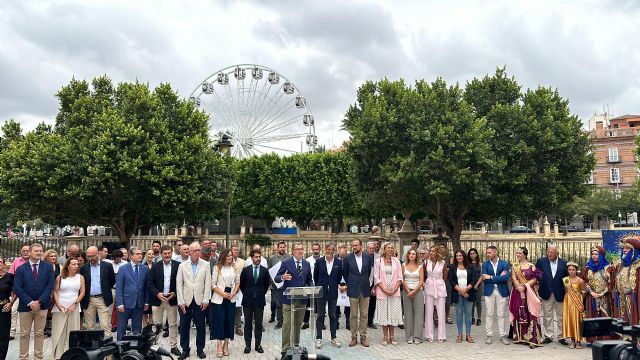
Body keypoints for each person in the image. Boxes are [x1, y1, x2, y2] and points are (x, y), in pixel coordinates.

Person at [14, 243, 55, 360]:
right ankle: (23, 357)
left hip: (42, 306)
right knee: (24, 334)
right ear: (30, 252)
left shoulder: (48, 267)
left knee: (39, 333)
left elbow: (50, 285)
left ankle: (38, 357)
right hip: (25, 307)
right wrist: (31, 302)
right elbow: (17, 288)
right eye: (36, 250)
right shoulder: (21, 268)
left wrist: (40, 301)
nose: (38, 252)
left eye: (40, 251)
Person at [275, 242, 314, 358]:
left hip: (302, 299)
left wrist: (311, 287)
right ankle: (285, 350)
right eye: (297, 249)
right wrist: (283, 277)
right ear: (293, 251)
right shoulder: (286, 263)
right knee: (287, 324)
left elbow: (309, 280)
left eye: (301, 249)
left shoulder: (307, 264)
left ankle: (296, 346)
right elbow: (277, 278)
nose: (300, 251)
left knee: (298, 324)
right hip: (288, 299)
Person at [176, 241, 211, 360]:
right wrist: (180, 302)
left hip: (200, 301)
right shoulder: (182, 266)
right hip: (186, 301)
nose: (197, 252)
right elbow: (179, 285)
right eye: (195, 250)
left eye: (198, 250)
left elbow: (207, 284)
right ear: (189, 252)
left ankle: (200, 349)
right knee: (184, 326)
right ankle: (185, 350)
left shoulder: (206, 265)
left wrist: (206, 300)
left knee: (201, 326)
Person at [147, 245, 181, 356]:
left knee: (173, 324)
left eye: (169, 253)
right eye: (165, 253)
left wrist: (175, 293)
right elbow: (150, 283)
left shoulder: (178, 265)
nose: (167, 255)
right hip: (158, 299)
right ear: (161, 254)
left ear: (171, 253)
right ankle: (155, 348)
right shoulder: (155, 266)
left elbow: (181, 282)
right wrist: (157, 294)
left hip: (172, 299)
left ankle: (173, 346)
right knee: (156, 325)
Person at [509, 247, 543, 348]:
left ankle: (533, 338)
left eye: (519, 253)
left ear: (525, 254)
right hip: (517, 292)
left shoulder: (531, 266)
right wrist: (519, 287)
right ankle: (521, 337)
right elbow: (514, 278)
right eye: (517, 253)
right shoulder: (515, 266)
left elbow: (535, 279)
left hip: (529, 292)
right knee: (519, 312)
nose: (518, 254)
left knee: (531, 312)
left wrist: (524, 286)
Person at [52, 257, 85, 359]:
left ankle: (72, 355)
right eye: (73, 264)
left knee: (73, 332)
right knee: (59, 332)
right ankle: (58, 356)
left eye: (77, 264)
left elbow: (82, 292)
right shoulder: (60, 277)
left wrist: (75, 304)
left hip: (74, 307)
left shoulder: (80, 277)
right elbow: (56, 292)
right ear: (68, 265)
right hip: (60, 308)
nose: (76, 266)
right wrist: (58, 304)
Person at [79, 246, 116, 337]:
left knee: (105, 325)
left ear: (98, 254)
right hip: (88, 300)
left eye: (92, 256)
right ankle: (91, 348)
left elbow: (112, 281)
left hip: (103, 298)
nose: (90, 258)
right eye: (88, 256)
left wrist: (105, 290)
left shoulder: (107, 266)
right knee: (89, 326)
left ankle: (107, 348)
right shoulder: (83, 268)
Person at [239, 249, 271, 354]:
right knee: (247, 324)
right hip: (247, 301)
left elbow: (266, 285)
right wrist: (248, 293)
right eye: (256, 257)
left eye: (259, 257)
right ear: (252, 258)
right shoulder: (246, 270)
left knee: (258, 324)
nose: (258, 259)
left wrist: (259, 293)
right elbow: (242, 285)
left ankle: (258, 345)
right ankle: (247, 345)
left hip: (259, 301)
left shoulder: (265, 270)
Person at [581, 246, 615, 343]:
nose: (594, 256)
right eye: (593, 254)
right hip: (591, 297)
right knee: (592, 316)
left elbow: (611, 283)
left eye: (596, 254)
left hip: (604, 297)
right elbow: (584, 281)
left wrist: (602, 293)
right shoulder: (587, 268)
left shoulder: (608, 268)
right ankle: (593, 339)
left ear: (601, 256)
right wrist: (591, 292)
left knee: (604, 316)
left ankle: (605, 339)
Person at [535, 244, 568, 344]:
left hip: (560, 293)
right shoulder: (541, 262)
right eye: (548, 252)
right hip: (546, 292)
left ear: (557, 253)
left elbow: (566, 279)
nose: (549, 254)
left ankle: (561, 336)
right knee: (547, 315)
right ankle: (548, 335)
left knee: (561, 315)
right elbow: (537, 275)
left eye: (551, 252)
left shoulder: (564, 263)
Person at [211, 249, 241, 358]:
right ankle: (219, 344)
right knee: (219, 321)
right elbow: (213, 284)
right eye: (228, 255)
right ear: (224, 256)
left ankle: (226, 344)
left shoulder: (235, 268)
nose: (230, 257)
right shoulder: (217, 268)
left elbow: (238, 283)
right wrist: (223, 294)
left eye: (231, 255)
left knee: (229, 321)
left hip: (231, 298)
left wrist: (233, 293)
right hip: (219, 298)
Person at [312, 242, 343, 349]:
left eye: (332, 249)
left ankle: (334, 337)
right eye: (328, 249)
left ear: (334, 251)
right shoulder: (319, 262)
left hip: (333, 293)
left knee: (333, 315)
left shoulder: (338, 262)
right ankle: (319, 338)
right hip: (321, 292)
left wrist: (333, 285)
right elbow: (315, 277)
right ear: (325, 250)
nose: (330, 251)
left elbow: (339, 277)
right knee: (320, 315)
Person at [342, 239, 372, 347]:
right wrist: (351, 284)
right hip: (353, 289)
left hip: (365, 289)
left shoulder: (367, 257)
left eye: (356, 245)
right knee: (353, 315)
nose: (354, 247)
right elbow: (345, 274)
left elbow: (369, 272)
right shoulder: (347, 258)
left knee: (364, 315)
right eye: (353, 245)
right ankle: (353, 337)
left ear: (361, 246)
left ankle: (363, 336)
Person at [115, 246, 149, 341]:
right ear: (131, 256)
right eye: (137, 254)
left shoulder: (145, 269)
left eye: (141, 254)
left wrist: (146, 302)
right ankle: (120, 349)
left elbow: (146, 287)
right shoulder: (123, 269)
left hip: (139, 303)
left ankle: (135, 349)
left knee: (137, 328)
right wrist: (120, 303)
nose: (140, 256)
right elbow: (119, 287)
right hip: (125, 303)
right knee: (121, 328)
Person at [372, 242, 403, 346]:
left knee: (393, 313)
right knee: (384, 314)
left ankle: (392, 336)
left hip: (394, 291)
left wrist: (395, 289)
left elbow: (400, 277)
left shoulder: (397, 261)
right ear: (384, 249)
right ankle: (385, 336)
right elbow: (376, 277)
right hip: (382, 291)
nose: (390, 249)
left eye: (392, 248)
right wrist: (384, 289)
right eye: (388, 248)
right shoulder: (378, 261)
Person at [481, 245, 511, 345]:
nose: (487, 254)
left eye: (489, 252)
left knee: (501, 314)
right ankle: (489, 335)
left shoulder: (504, 263)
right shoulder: (485, 264)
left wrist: (491, 277)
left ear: (495, 252)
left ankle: (502, 335)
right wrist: (498, 277)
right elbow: (484, 277)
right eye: (487, 252)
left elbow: (506, 278)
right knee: (489, 313)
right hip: (489, 291)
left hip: (501, 291)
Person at [449, 249, 478, 344]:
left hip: (468, 293)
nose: (458, 257)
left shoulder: (471, 267)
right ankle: (460, 334)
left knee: (469, 314)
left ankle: (468, 334)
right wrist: (461, 291)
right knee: (459, 314)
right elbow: (452, 281)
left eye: (460, 255)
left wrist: (466, 289)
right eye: (457, 256)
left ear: (464, 256)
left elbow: (474, 280)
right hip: (457, 293)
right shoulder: (453, 267)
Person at [424, 244, 448, 343]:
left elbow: (445, 277)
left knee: (441, 312)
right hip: (429, 286)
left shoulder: (443, 263)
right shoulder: (425, 262)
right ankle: (429, 335)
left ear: (437, 252)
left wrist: (439, 284)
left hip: (440, 287)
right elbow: (424, 276)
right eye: (430, 250)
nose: (431, 252)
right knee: (428, 312)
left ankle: (441, 336)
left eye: (433, 251)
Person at [615, 237, 640, 326]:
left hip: (633, 297)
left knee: (633, 321)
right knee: (624, 321)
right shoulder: (621, 264)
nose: (624, 250)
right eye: (623, 248)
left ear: (633, 251)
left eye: (627, 248)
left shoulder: (637, 265)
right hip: (622, 297)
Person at [401, 248, 424, 344]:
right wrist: (408, 291)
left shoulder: (420, 266)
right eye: (410, 253)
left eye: (413, 254)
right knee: (408, 314)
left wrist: (414, 292)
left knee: (418, 314)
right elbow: (402, 280)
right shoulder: (403, 265)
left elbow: (421, 281)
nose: (411, 255)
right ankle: (409, 336)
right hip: (406, 291)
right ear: (407, 255)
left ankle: (417, 337)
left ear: (416, 256)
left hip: (417, 291)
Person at [562, 262, 586, 349]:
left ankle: (579, 341)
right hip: (568, 302)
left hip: (577, 303)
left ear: (576, 270)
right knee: (570, 320)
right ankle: (572, 341)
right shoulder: (565, 279)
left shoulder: (580, 280)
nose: (571, 271)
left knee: (578, 321)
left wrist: (579, 300)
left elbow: (583, 292)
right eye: (569, 270)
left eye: (573, 270)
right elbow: (566, 291)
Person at [8, 245, 30, 340]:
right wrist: (12, 289)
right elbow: (10, 276)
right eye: (24, 251)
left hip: (29, 292)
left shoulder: (34, 262)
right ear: (21, 252)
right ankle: (12, 332)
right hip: (17, 291)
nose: (25, 252)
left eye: (27, 251)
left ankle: (26, 332)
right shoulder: (16, 261)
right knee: (13, 311)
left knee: (28, 313)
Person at [268, 241, 290, 328]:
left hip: (286, 284)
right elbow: (269, 271)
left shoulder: (289, 257)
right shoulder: (272, 258)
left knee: (286, 304)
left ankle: (286, 321)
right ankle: (279, 322)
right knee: (278, 304)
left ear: (285, 247)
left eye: (283, 247)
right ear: (277, 248)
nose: (282, 248)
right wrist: (270, 283)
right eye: (280, 247)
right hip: (276, 285)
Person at [302, 242, 322, 330]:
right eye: (314, 249)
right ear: (311, 250)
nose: (315, 251)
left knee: (320, 306)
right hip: (309, 286)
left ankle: (321, 323)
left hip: (320, 286)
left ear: (320, 250)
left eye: (317, 249)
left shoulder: (323, 259)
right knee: (307, 305)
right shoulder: (307, 260)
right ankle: (306, 322)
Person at [0, 256, 15, 360]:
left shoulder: (10, 277)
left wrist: (11, 304)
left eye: (0, 262)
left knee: (4, 335)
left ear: (4, 264)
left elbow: (16, 291)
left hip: (4, 308)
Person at [230, 244, 245, 337]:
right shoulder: (227, 261)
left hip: (240, 288)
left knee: (238, 308)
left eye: (238, 250)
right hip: (229, 289)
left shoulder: (243, 262)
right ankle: (229, 326)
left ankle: (238, 327)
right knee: (229, 307)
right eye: (235, 250)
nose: (237, 251)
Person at [437, 243, 454, 324]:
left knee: (447, 300)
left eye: (443, 247)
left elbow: (451, 267)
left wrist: (446, 268)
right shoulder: (437, 258)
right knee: (437, 299)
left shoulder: (449, 257)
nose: (441, 249)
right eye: (439, 247)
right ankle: (437, 317)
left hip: (447, 281)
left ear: (445, 249)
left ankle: (447, 316)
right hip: (438, 280)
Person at [336, 242, 350, 330]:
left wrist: (347, 285)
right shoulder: (334, 260)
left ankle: (348, 323)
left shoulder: (349, 259)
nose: (342, 249)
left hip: (347, 284)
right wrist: (337, 285)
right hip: (337, 285)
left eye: (343, 247)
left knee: (348, 306)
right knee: (336, 306)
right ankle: (336, 323)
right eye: (340, 247)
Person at [467, 248, 482, 326]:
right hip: (470, 285)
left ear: (476, 254)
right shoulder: (467, 264)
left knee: (478, 302)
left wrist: (476, 284)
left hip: (478, 284)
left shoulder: (480, 263)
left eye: (473, 253)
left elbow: (482, 275)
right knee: (471, 302)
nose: (472, 255)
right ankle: (472, 318)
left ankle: (479, 318)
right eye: (470, 254)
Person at [142, 249, 155, 326]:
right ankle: (145, 328)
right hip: (144, 292)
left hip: (153, 292)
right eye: (149, 254)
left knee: (151, 311)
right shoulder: (142, 266)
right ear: (146, 255)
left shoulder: (156, 265)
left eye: (152, 254)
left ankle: (150, 328)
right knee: (144, 312)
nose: (151, 255)